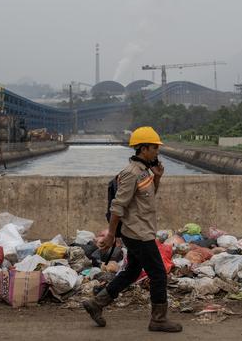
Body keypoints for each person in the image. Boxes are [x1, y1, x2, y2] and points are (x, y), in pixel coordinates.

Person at [82, 126, 182, 333]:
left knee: (133, 271)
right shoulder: (131, 173)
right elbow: (118, 206)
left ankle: (97, 303)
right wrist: (111, 234)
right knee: (158, 274)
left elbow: (146, 198)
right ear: (144, 149)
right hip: (137, 234)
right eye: (155, 148)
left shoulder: (144, 172)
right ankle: (159, 320)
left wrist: (158, 177)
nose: (157, 151)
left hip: (142, 230)